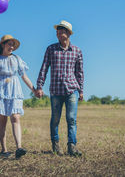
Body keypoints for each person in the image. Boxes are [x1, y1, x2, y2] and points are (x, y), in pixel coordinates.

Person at [36, 20, 84, 156]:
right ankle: (56, 144)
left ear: (68, 33)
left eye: (62, 30)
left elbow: (80, 73)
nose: (59, 32)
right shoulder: (51, 49)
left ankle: (72, 146)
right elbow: (44, 68)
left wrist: (81, 90)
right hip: (56, 90)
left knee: (71, 119)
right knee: (55, 119)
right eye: (58, 30)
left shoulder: (77, 51)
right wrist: (39, 86)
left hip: (71, 90)